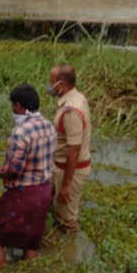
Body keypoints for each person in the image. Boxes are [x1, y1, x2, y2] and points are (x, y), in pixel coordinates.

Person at [0, 84, 56, 267]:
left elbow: (14, 169)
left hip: (24, 194)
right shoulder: (48, 126)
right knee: (31, 240)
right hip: (44, 191)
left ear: (18, 106)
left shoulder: (20, 133)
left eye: (13, 106)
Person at [47, 64, 92, 232]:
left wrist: (66, 185)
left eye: (51, 82)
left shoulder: (71, 111)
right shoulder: (77, 98)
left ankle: (70, 252)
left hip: (69, 170)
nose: (49, 85)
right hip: (63, 167)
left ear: (61, 83)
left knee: (67, 219)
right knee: (57, 209)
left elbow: (74, 149)